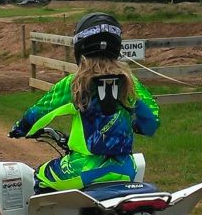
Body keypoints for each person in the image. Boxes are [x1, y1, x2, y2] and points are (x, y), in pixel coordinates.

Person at [9, 12, 160, 191]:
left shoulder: (75, 83)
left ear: (80, 46)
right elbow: (151, 123)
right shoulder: (130, 83)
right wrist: (135, 125)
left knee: (40, 177)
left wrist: (20, 129)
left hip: (82, 169)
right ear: (116, 46)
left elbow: (38, 113)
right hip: (125, 169)